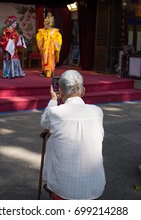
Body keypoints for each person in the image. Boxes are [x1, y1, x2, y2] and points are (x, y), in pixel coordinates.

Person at [40, 70, 106, 200]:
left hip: (63, 188)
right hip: (95, 185)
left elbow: (44, 123)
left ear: (61, 92)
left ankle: (50, 183)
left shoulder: (54, 112)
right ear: (83, 91)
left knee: (52, 141)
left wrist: (53, 100)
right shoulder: (97, 111)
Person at [36, 13, 62, 78]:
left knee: (51, 60)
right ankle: (44, 72)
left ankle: (51, 71)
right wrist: (43, 41)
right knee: (44, 59)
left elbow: (59, 40)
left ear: (50, 24)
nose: (45, 24)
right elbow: (38, 38)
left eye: (47, 23)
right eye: (45, 23)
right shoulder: (41, 31)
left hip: (52, 48)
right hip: (45, 48)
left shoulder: (55, 32)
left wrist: (53, 42)